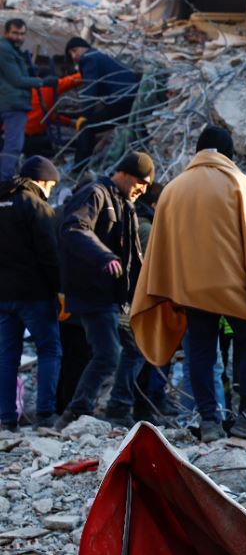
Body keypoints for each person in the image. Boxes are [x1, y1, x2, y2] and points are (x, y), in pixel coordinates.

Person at [130, 126, 246, 443]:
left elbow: (161, 247)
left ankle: (209, 421)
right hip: (235, 289)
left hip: (191, 290)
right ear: (228, 154)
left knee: (201, 352)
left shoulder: (173, 189)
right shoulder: (242, 186)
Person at [56, 151, 153, 429]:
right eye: (141, 182)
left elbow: (134, 258)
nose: (142, 190)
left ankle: (118, 409)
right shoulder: (95, 193)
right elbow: (74, 228)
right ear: (124, 173)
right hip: (93, 293)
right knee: (109, 354)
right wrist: (104, 257)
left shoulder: (125, 204)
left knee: (135, 350)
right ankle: (75, 415)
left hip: (114, 299)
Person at [0, 156, 61, 428]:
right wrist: (57, 290)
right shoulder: (37, 206)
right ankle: (46, 414)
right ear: (43, 181)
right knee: (49, 349)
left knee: (7, 355)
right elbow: (50, 254)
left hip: (2, 296)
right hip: (34, 294)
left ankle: (6, 418)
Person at [64, 37, 141, 170]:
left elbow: (90, 90)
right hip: (131, 99)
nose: (74, 56)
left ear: (84, 47)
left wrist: (85, 116)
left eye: (74, 50)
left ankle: (79, 169)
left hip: (122, 101)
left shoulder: (88, 58)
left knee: (87, 126)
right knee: (98, 123)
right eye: (70, 54)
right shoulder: (99, 55)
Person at [0, 19, 58, 180]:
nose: (19, 37)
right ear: (6, 33)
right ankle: (4, 183)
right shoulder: (5, 49)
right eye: (15, 33)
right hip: (12, 104)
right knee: (13, 147)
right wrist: (43, 82)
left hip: (9, 102)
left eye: (22, 34)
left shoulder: (12, 50)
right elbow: (17, 80)